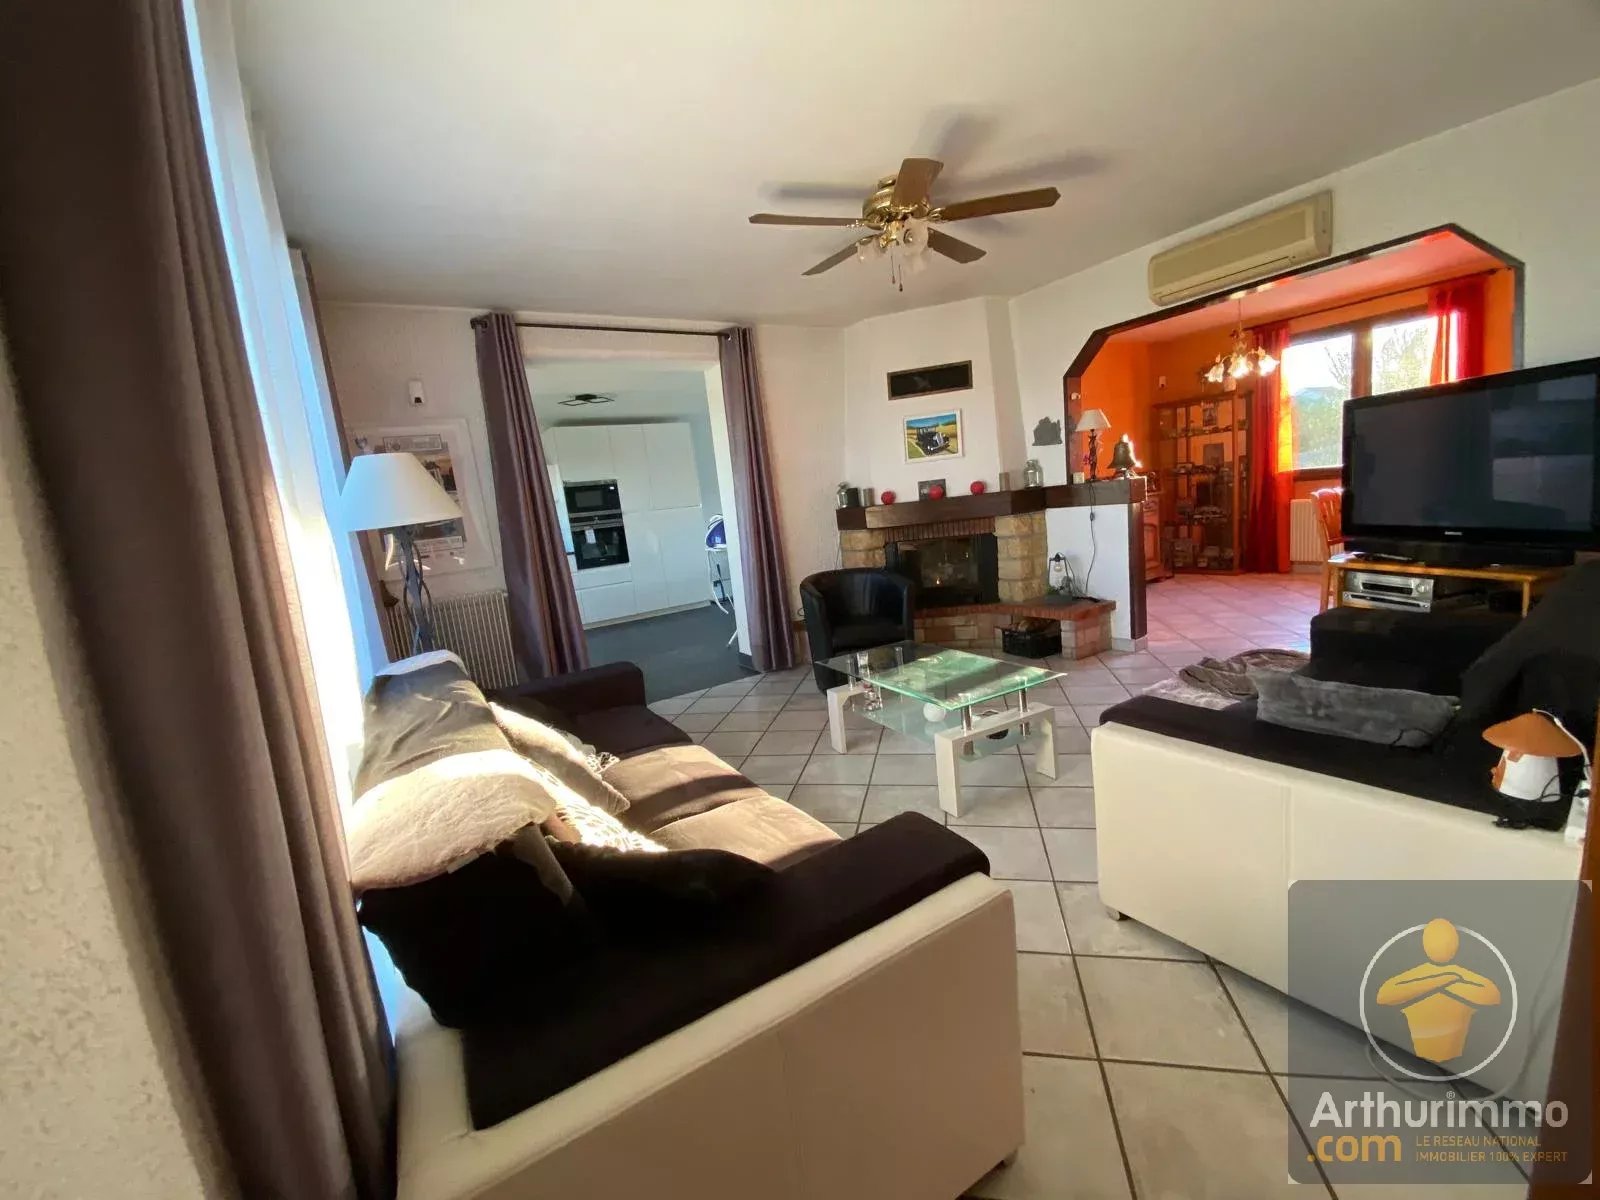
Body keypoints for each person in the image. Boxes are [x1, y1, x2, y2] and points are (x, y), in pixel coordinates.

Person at [1375, 917, 1501, 1063]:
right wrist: (1447, 978)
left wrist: (1442, 981)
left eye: (1447, 941)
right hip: (1416, 1048)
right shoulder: (1429, 972)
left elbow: (1492, 996)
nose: (1442, 946)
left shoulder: (1461, 972)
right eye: (1435, 940)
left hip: (1458, 1052)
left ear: (1456, 943)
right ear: (1425, 943)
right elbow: (1384, 996)